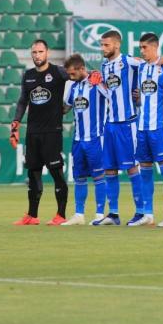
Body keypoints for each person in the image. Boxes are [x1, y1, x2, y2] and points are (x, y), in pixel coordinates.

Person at [10, 40, 71, 226]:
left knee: (56, 173)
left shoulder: (58, 72)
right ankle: (32, 215)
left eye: (40, 51)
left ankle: (61, 215)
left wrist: (68, 105)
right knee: (33, 173)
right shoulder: (27, 76)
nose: (37, 55)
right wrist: (16, 124)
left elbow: (78, 77)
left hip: (52, 132)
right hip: (33, 132)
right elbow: (22, 101)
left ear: (48, 53)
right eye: (34, 52)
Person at [93, 30, 146, 226]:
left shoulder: (130, 61)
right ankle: (113, 213)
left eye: (106, 45)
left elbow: (151, 67)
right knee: (109, 169)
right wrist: (99, 86)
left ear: (117, 45)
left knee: (132, 167)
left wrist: (140, 92)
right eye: (101, 45)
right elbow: (109, 92)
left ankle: (141, 211)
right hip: (111, 124)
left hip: (128, 123)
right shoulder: (105, 66)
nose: (103, 48)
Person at [130, 33, 163, 227]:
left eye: (145, 48)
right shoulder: (141, 68)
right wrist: (138, 99)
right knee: (145, 170)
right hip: (142, 127)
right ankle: (148, 214)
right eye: (140, 48)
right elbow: (144, 97)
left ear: (155, 47)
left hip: (160, 127)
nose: (142, 51)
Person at [60, 54, 108, 226]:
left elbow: (111, 95)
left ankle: (99, 214)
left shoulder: (96, 83)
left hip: (96, 138)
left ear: (81, 69)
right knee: (79, 176)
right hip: (78, 139)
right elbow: (65, 108)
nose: (70, 77)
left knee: (98, 176)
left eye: (72, 74)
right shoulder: (73, 88)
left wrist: (101, 81)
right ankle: (79, 214)